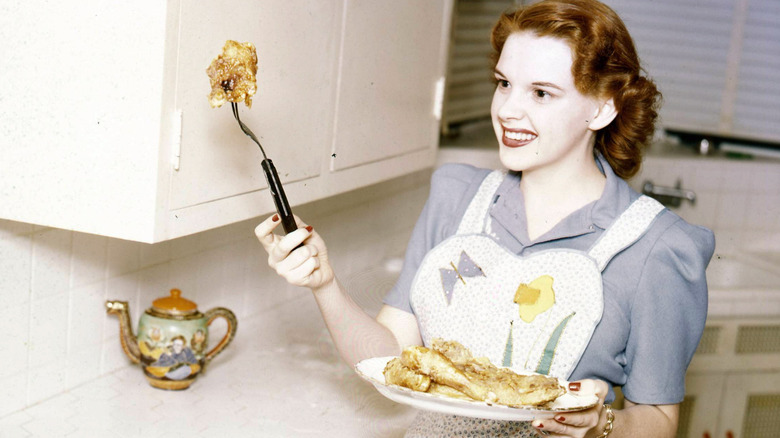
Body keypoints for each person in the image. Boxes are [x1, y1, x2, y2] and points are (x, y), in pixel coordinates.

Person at [255, 0, 715, 436]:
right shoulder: (455, 196)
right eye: (504, 83)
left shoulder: (659, 248)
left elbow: (658, 419)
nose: (508, 110)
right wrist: (324, 283)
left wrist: (599, 425)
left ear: (602, 107)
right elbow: (392, 357)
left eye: (540, 92)